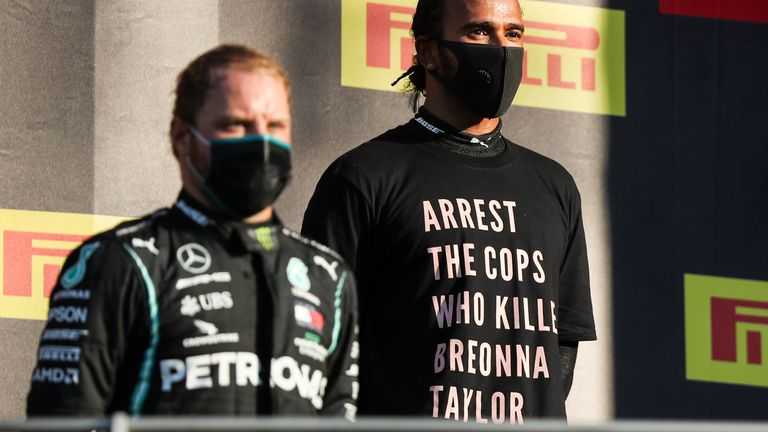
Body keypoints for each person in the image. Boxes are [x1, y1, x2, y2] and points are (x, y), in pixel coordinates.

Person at [301, 0, 595, 424]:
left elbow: (561, 346)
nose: (501, 48)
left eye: (513, 33)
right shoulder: (364, 176)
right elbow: (317, 344)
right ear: (428, 51)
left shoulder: (555, 186)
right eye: (479, 32)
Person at [27, 44, 358, 418]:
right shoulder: (122, 261)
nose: (262, 142)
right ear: (182, 137)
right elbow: (60, 419)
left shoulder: (329, 277)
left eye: (275, 126)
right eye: (236, 125)